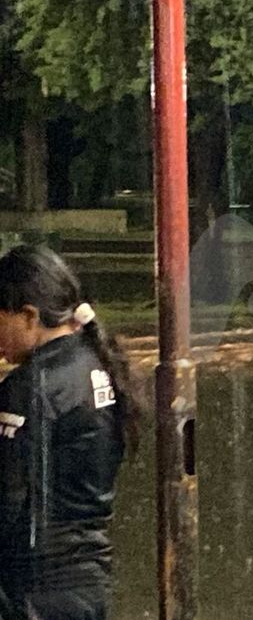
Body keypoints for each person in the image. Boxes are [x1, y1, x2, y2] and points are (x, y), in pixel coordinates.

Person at [0, 245, 140, 619]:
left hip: (36, 587)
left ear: (29, 316)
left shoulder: (31, 386)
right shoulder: (97, 362)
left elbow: (10, 499)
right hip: (88, 577)